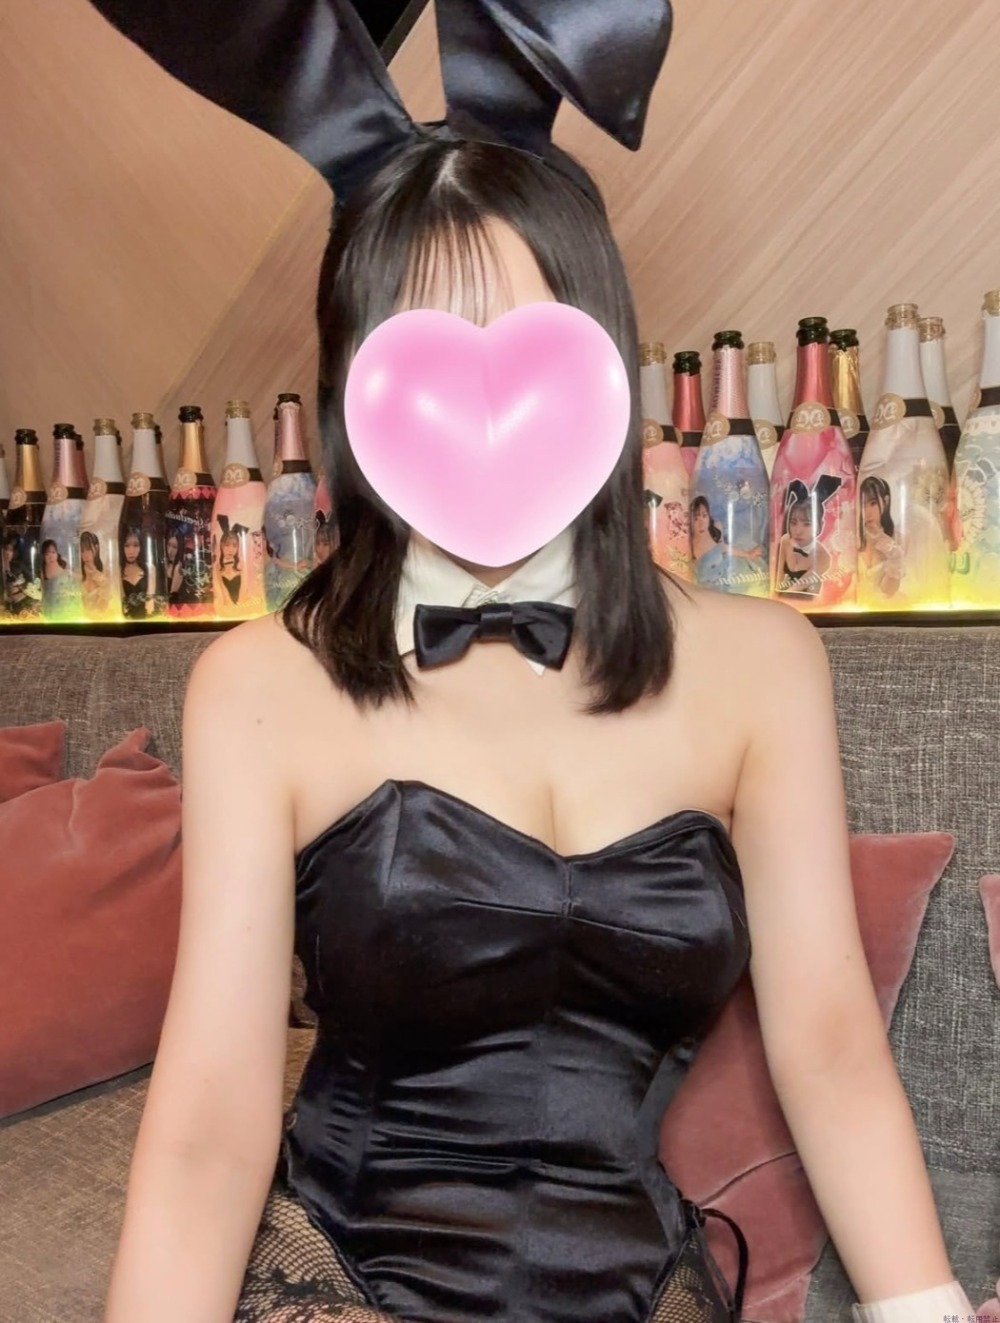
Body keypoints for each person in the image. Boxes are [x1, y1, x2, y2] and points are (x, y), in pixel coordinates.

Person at [102, 134, 974, 1323]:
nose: (481, 402)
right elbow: (209, 1124)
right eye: (424, 348)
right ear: (355, 386)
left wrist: (922, 1308)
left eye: (521, 341)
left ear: (601, 356)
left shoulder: (764, 664)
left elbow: (827, 1047)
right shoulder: (259, 686)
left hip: (638, 1285)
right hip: (348, 1279)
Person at [80, 529, 112, 617]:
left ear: (96, 548)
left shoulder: (105, 573)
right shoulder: (78, 575)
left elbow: (103, 607)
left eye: (88, 549)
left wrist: (95, 573)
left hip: (101, 620)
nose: (85, 555)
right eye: (82, 551)